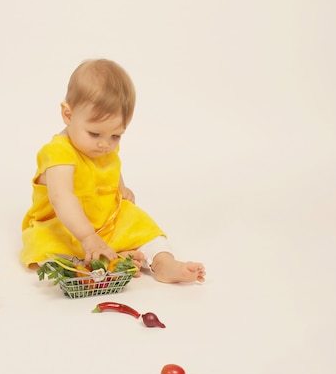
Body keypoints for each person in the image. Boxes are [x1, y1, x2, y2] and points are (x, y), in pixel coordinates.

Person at [20, 59, 205, 283]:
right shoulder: (58, 152)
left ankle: (163, 262)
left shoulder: (102, 147)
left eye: (116, 136)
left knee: (144, 226)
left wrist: (121, 187)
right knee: (49, 251)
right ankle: (109, 261)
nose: (105, 145)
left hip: (106, 219)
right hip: (64, 226)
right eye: (95, 134)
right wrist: (87, 236)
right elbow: (62, 197)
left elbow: (110, 165)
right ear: (68, 115)